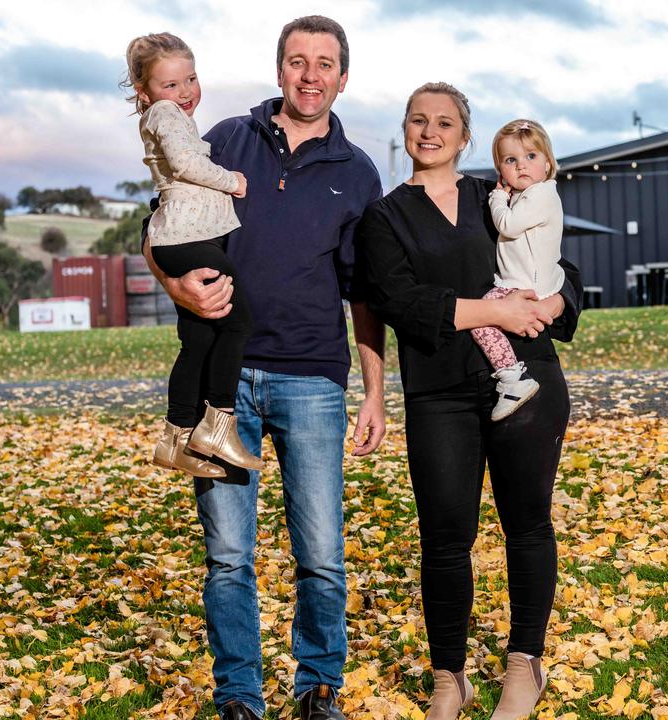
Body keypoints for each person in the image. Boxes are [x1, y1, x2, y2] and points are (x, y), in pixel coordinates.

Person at [140, 16, 385, 720]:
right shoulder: (223, 139)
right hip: (226, 380)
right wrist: (174, 286)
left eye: (325, 64)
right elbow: (159, 223)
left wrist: (373, 391)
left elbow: (363, 292)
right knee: (227, 556)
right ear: (279, 69)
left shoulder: (357, 171)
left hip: (311, 379)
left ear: (343, 76)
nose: (311, 76)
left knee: (321, 555)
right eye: (298, 62)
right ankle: (239, 696)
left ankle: (317, 690)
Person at [356, 83, 581, 720]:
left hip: (528, 379)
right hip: (439, 393)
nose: (431, 132)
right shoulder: (385, 216)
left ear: (465, 135)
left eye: (445, 122)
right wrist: (492, 310)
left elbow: (565, 270)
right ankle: (449, 679)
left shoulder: (500, 193)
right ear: (405, 129)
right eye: (419, 121)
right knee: (445, 538)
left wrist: (552, 304)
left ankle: (523, 663)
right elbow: (398, 302)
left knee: (527, 524)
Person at [124, 32, 262, 478]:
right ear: (145, 93)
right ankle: (218, 424)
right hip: (186, 236)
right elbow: (185, 165)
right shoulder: (165, 114)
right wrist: (233, 180)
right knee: (237, 321)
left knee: (200, 338)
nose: (184, 93)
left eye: (191, 79)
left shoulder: (167, 114)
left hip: (180, 235)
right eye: (170, 85)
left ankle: (176, 437)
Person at [472, 119, 566, 422]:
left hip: (523, 285)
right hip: (531, 279)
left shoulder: (541, 194)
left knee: (482, 318)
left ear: (548, 163)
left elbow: (508, 225)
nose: (521, 166)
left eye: (531, 156)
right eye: (511, 160)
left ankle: (512, 380)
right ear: (501, 168)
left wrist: (497, 197)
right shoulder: (528, 196)